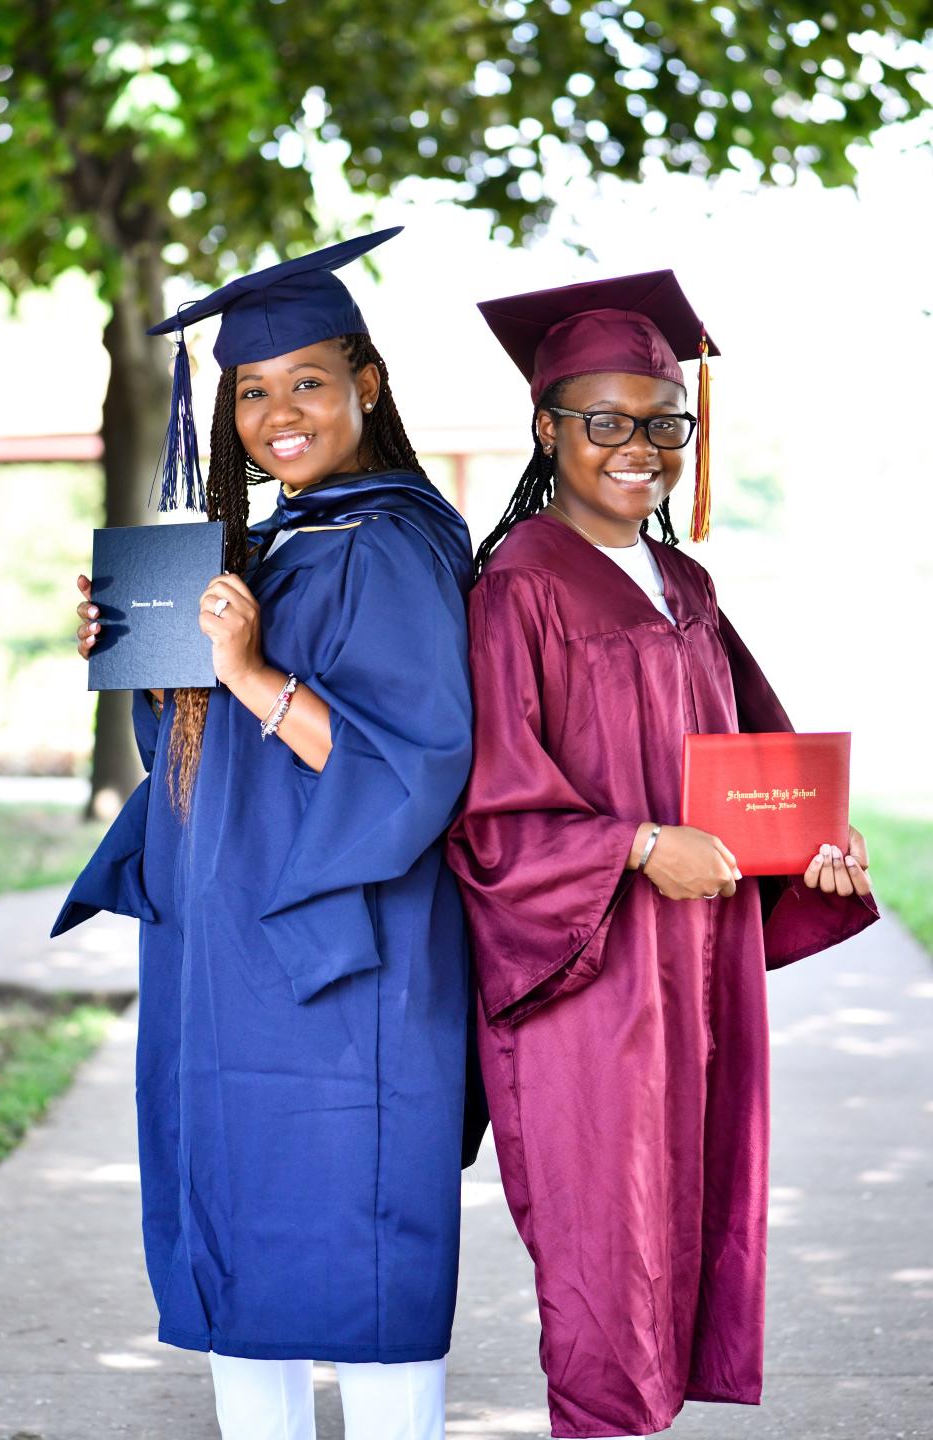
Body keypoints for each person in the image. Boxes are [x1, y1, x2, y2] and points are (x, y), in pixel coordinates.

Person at [54, 228, 476, 1440]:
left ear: (368, 386)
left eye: (308, 382)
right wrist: (152, 658)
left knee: (362, 1244)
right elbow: (205, 766)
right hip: (234, 955)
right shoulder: (272, 542)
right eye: (250, 389)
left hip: (341, 961)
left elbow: (408, 763)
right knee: (242, 1240)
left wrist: (240, 673)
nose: (278, 412)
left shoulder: (389, 542)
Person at [446, 270, 879, 1439]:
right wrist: (635, 846)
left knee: (688, 1225)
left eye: (664, 421)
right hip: (589, 981)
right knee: (603, 1257)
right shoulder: (516, 588)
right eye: (605, 421)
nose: (639, 446)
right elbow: (486, 811)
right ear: (548, 429)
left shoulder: (686, 582)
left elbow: (753, 759)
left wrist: (814, 844)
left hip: (700, 966)